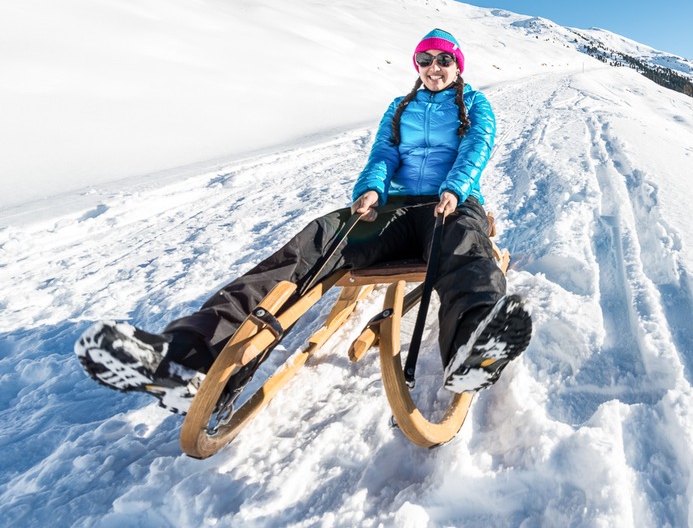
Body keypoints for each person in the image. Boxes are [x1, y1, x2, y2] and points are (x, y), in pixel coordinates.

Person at [75, 28, 532, 413]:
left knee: (464, 248)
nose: (434, 67)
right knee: (311, 246)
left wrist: (454, 188)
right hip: (391, 209)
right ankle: (188, 357)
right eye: (426, 59)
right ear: (417, 65)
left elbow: (477, 147)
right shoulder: (399, 107)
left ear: (458, 65)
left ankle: (473, 345)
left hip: (448, 204)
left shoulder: (474, 104)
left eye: (444, 60)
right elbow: (384, 154)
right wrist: (370, 189)